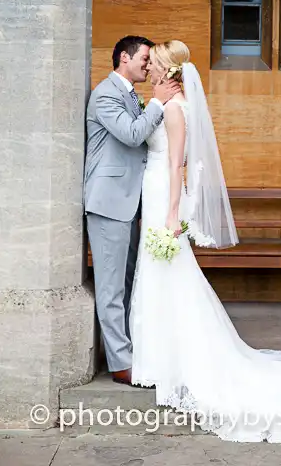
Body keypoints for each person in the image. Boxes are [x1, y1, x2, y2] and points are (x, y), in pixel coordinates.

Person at [129, 40, 281, 443]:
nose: (148, 68)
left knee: (169, 275)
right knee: (157, 274)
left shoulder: (174, 108)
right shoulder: (165, 104)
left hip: (162, 196)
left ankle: (167, 363)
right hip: (152, 191)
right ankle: (154, 360)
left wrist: (171, 214)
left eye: (154, 64)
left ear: (167, 70)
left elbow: (176, 164)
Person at [83, 35, 180, 386]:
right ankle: (121, 364)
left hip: (131, 203)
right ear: (124, 57)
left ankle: (129, 350)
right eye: (143, 57)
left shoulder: (131, 95)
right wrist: (156, 103)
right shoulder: (106, 94)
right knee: (110, 288)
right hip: (109, 202)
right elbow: (130, 135)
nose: (147, 63)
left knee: (126, 281)